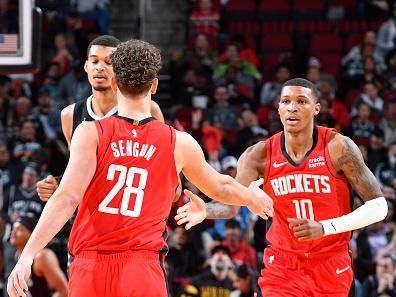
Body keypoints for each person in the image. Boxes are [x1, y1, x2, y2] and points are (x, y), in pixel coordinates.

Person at [7, 39, 274, 297]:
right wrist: (252, 196)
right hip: (143, 268)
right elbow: (222, 186)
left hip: (91, 265)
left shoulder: (90, 133)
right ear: (155, 86)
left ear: (114, 83)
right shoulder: (178, 142)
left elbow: (66, 198)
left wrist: (28, 254)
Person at [176, 78, 388, 296]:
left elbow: (379, 207)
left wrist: (325, 227)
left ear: (316, 109)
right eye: (285, 101)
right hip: (283, 265)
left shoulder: (338, 147)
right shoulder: (258, 155)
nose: (292, 108)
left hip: (331, 261)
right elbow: (232, 204)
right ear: (278, 108)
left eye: (301, 101)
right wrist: (207, 210)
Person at [36, 35, 165, 200]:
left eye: (108, 62)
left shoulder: (147, 109)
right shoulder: (69, 114)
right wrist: (57, 183)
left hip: (128, 212)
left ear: (121, 68)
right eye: (94, 61)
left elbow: (161, 171)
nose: (100, 67)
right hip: (87, 215)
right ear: (86, 66)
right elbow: (79, 171)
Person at [10, 215, 68, 297]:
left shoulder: (42, 257)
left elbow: (64, 291)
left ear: (32, 234)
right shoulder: (18, 255)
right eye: (13, 229)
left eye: (20, 229)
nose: (13, 232)